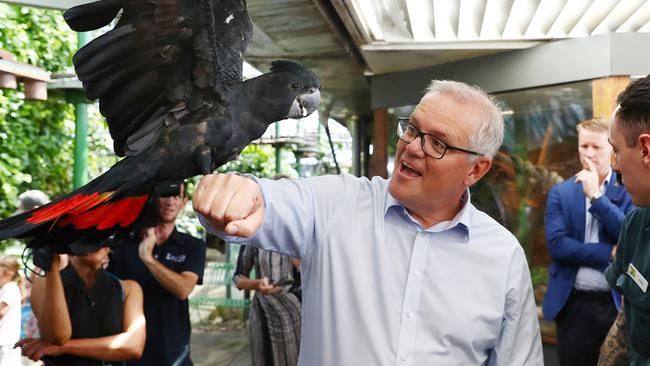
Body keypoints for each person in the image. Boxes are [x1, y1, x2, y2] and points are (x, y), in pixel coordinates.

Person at [193, 80, 544, 365]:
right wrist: (238, 192)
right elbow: (268, 200)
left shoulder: (502, 256)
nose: (413, 147)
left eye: (437, 143)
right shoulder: (337, 203)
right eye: (412, 130)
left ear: (476, 170)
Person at [542, 118, 634, 365]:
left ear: (611, 149)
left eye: (596, 147)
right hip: (574, 305)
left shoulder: (628, 188)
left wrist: (595, 197)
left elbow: (628, 235)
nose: (589, 154)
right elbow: (558, 246)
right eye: (584, 147)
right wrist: (609, 252)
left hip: (615, 304)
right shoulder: (561, 192)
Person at [108, 180, 207, 366]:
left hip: (173, 350)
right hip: (130, 348)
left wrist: (147, 257)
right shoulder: (122, 244)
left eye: (176, 196)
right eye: (165, 195)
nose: (170, 202)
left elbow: (184, 289)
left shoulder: (192, 245)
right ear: (154, 199)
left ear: (184, 202)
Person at [15, 244, 146, 365]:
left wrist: (64, 348)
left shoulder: (128, 288)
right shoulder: (44, 283)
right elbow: (58, 337)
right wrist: (52, 267)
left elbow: (134, 346)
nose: (94, 244)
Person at [598, 75, 650, 365]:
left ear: (645, 150)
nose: (614, 166)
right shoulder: (636, 225)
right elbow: (625, 326)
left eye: (616, 151)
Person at [233, 245, 301, 366]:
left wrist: (289, 248)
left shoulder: (296, 236)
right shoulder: (254, 238)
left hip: (293, 314)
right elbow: (238, 279)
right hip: (262, 312)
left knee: (295, 358)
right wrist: (257, 284)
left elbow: (312, 271)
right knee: (263, 358)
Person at [0, 256, 22, 365]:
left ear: (9, 272)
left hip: (6, 340)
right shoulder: (8, 288)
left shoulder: (9, 288)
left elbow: (1, 311)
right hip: (5, 340)